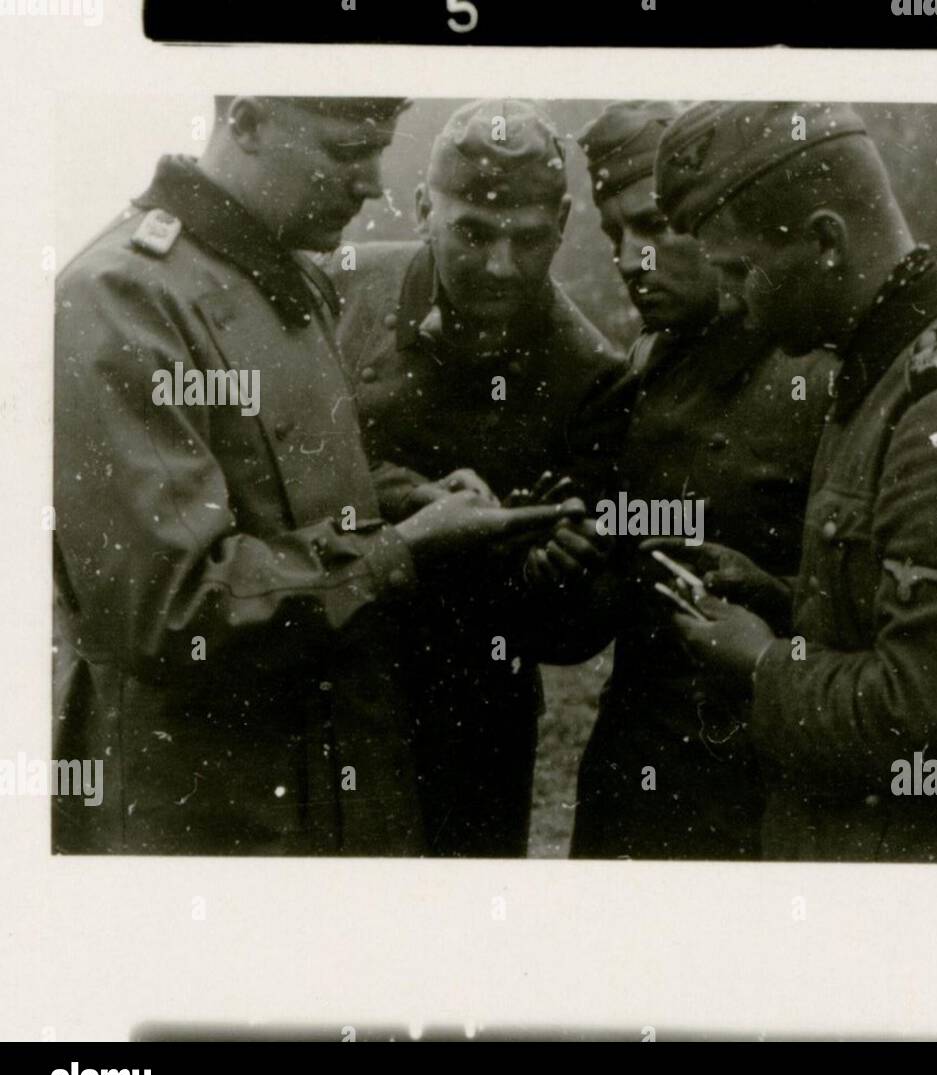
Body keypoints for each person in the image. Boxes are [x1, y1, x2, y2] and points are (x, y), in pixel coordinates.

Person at [53, 96, 576, 855]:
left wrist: (407, 498)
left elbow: (292, 485)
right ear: (249, 121)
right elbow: (169, 607)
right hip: (209, 813)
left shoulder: (287, 274)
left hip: (334, 782)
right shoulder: (123, 297)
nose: (370, 183)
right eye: (345, 150)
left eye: (379, 150)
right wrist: (404, 547)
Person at [656, 101, 937, 863]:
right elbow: (903, 614)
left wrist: (761, 662)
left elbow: (935, 723)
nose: (733, 302)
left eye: (741, 271)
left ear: (826, 240)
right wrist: (772, 596)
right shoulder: (893, 371)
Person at [328, 99, 624, 856]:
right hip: (320, 682)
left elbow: (575, 636)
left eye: (529, 239)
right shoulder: (340, 290)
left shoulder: (591, 376)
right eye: (473, 233)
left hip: (469, 723)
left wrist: (558, 576)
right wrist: (401, 497)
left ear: (562, 221)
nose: (502, 266)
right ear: (425, 207)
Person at [547, 100, 837, 859]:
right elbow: (597, 607)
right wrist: (570, 549)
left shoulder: (822, 376)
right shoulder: (642, 369)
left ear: (719, 219)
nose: (627, 258)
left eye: (652, 225)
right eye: (614, 233)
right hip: (633, 773)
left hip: (764, 780)